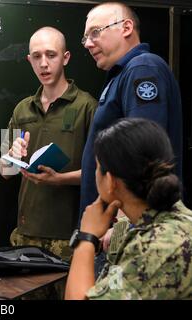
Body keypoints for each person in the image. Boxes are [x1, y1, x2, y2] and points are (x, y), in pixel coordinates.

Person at [65, 118, 192, 299]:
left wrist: (86, 238)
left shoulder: (156, 249)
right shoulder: (170, 223)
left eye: (97, 166)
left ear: (110, 181)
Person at [0, 27, 97, 262]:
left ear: (65, 58)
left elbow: (102, 173)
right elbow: (4, 171)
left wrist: (61, 179)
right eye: (36, 56)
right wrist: (12, 157)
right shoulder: (22, 109)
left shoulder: (87, 106)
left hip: (70, 236)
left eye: (51, 55)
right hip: (25, 235)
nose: (43, 63)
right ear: (29, 60)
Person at [79, 1, 182, 220]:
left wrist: (122, 223)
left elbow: (143, 156)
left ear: (126, 28)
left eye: (95, 33)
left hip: (125, 226)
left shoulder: (142, 68)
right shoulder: (122, 74)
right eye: (85, 37)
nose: (88, 43)